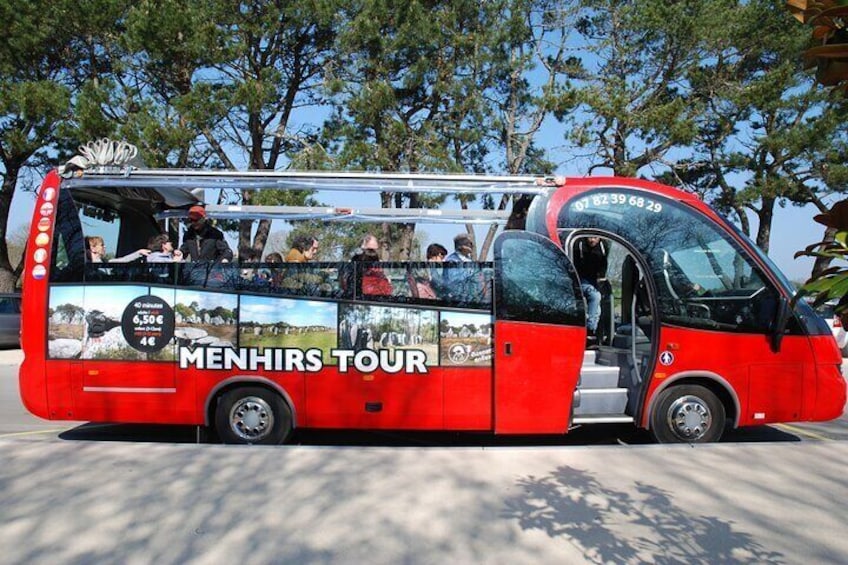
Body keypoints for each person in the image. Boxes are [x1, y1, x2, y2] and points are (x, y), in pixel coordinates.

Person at [573, 236, 608, 345]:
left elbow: (604, 265)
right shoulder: (578, 245)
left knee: (598, 308)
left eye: (595, 237)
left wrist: (601, 277)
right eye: (590, 237)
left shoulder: (603, 247)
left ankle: (594, 335)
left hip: (594, 281)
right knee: (595, 296)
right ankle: (590, 330)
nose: (592, 240)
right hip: (580, 280)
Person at [443, 234, 484, 303]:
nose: (471, 246)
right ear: (461, 245)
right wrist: (471, 273)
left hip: (471, 300)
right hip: (457, 301)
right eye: (469, 243)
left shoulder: (468, 260)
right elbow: (453, 281)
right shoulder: (452, 261)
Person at [85, 235, 150, 263]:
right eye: (102, 245)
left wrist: (139, 253)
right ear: (93, 248)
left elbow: (123, 260)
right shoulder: (87, 266)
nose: (104, 247)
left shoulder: (105, 263)